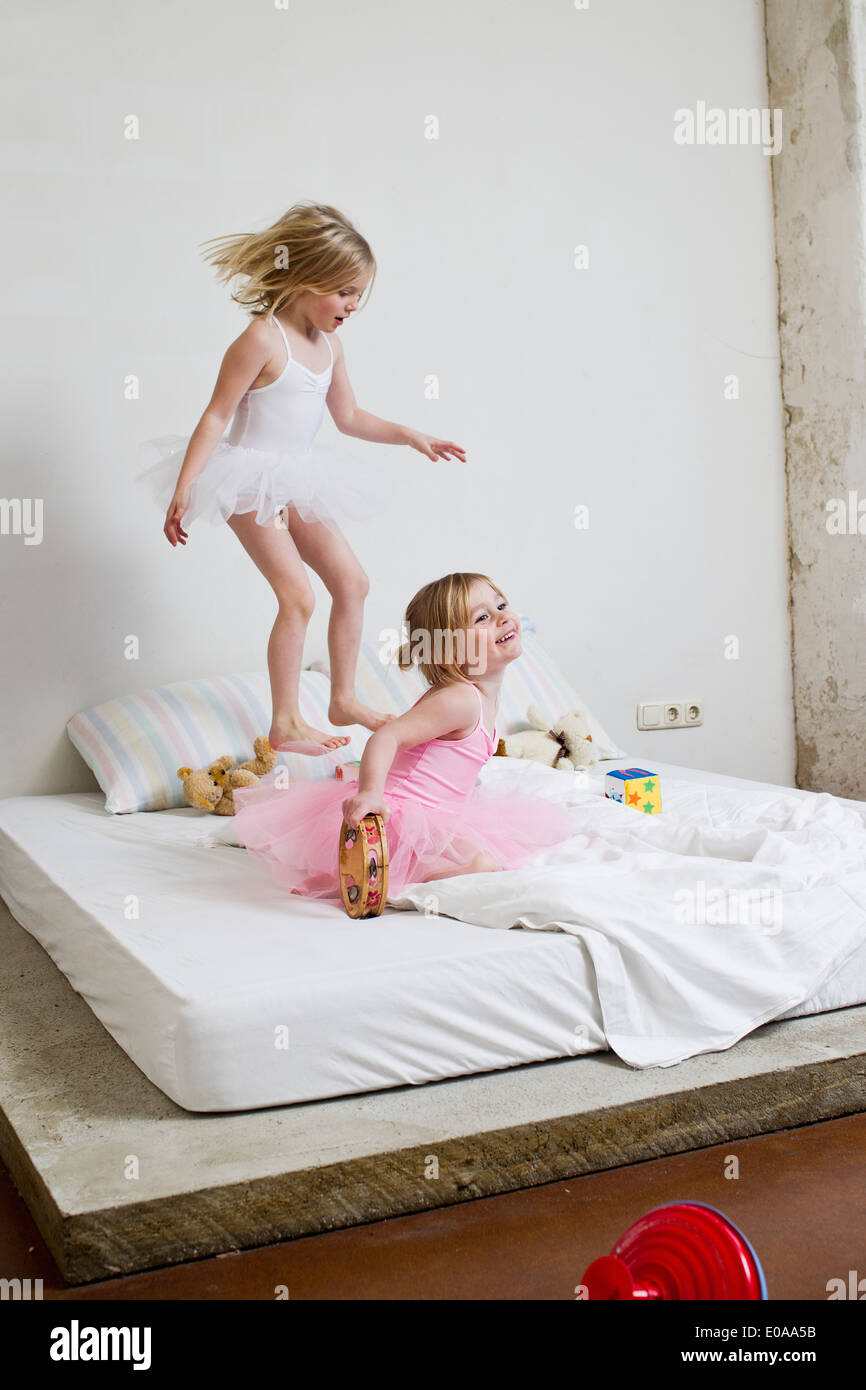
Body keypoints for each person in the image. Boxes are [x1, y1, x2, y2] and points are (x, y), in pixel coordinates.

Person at [138, 201, 465, 753]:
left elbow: (349, 417)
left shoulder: (330, 346)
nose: (353, 306)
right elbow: (218, 414)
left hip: (300, 477)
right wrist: (185, 485)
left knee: (353, 583)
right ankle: (285, 721)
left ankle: (342, 698)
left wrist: (412, 434)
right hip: (247, 480)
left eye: (359, 294)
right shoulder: (261, 340)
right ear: (305, 279)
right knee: (298, 596)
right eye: (344, 292)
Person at [231, 573, 575, 902]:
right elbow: (388, 736)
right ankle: (359, 875)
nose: (503, 618)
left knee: (504, 844)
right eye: (482, 617)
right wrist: (370, 793)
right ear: (449, 651)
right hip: (397, 820)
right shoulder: (460, 699)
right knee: (481, 863)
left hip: (436, 815)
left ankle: (370, 871)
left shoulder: (482, 698)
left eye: (501, 606)